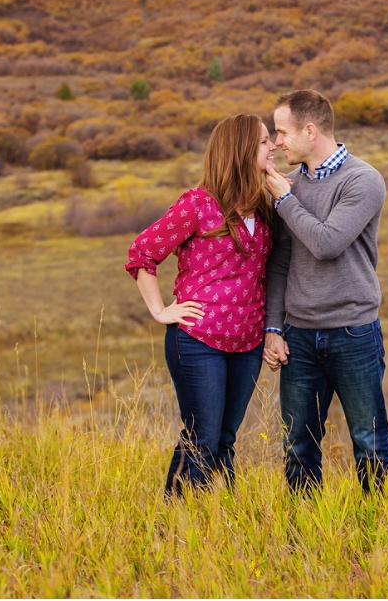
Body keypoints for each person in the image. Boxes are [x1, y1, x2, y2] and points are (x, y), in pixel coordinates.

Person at [125, 113, 277, 497]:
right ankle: (177, 522)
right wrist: (161, 311)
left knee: (226, 439)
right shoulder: (197, 204)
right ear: (240, 150)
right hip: (199, 340)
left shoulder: (264, 206)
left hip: (248, 342)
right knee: (203, 438)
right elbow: (142, 253)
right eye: (263, 141)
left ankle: (218, 521)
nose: (273, 145)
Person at [261, 89, 388, 494]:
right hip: (299, 336)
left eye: (282, 132)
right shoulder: (291, 184)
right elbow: (281, 262)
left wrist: (284, 201)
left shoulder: (364, 180)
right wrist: (273, 328)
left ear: (309, 129)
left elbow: (327, 243)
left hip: (354, 333)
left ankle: (385, 535)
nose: (278, 141)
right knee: (298, 448)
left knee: (370, 443)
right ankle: (308, 536)